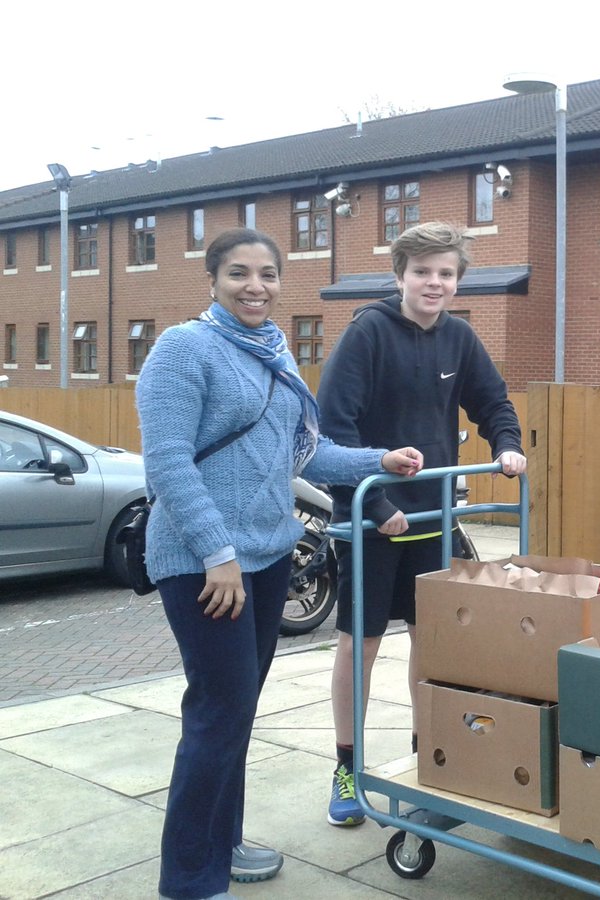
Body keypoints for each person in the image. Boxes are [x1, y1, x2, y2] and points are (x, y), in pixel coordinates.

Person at [137, 227, 425, 900]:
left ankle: (222, 843)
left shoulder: (274, 351)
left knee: (234, 710)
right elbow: (168, 465)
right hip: (202, 562)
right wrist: (218, 552)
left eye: (267, 274)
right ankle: (188, 878)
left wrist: (377, 460)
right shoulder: (183, 349)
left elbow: (305, 452)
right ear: (212, 280)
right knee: (219, 709)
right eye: (239, 273)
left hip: (266, 558)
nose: (255, 286)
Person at [317, 221, 526, 826]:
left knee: (432, 643)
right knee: (362, 644)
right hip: (371, 516)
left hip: (433, 516)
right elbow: (333, 432)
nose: (433, 283)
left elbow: (493, 402)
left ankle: (428, 757)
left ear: (457, 281)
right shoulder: (368, 334)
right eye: (422, 272)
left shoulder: (459, 338)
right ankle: (348, 767)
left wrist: (506, 445)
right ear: (400, 275)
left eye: (445, 274)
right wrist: (378, 509)